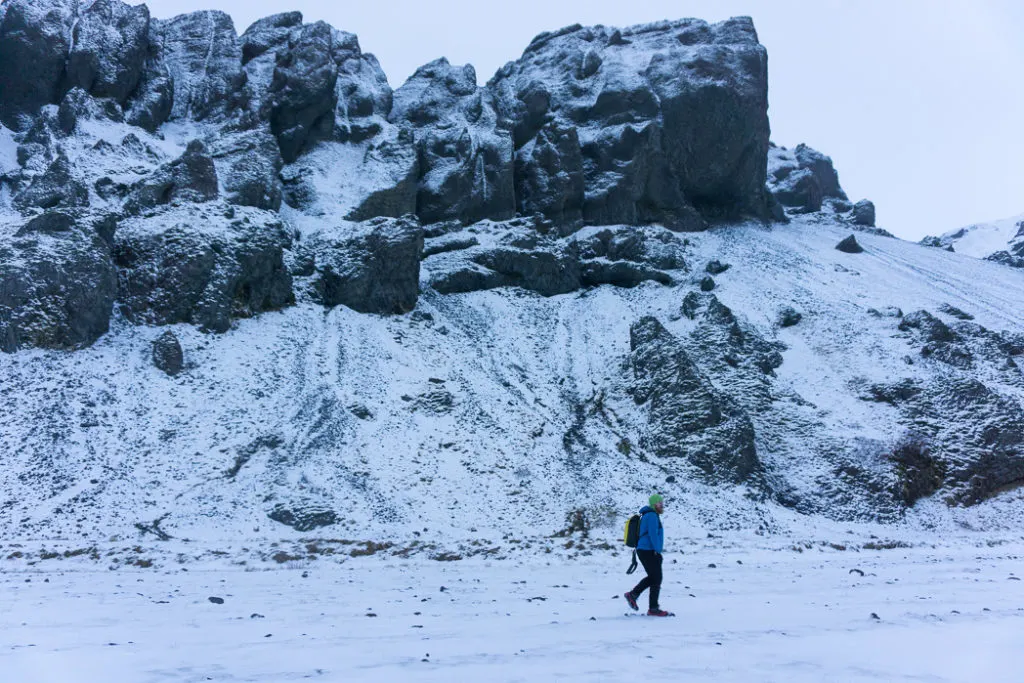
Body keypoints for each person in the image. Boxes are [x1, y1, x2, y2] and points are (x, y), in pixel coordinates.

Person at [623, 494, 670, 616]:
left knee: (655, 577)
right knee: (656, 577)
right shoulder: (652, 516)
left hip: (645, 550)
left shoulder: (649, 515)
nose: (662, 505)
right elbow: (653, 535)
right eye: (660, 503)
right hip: (648, 550)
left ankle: (647, 603)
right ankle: (638, 598)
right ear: (654, 504)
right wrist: (657, 550)